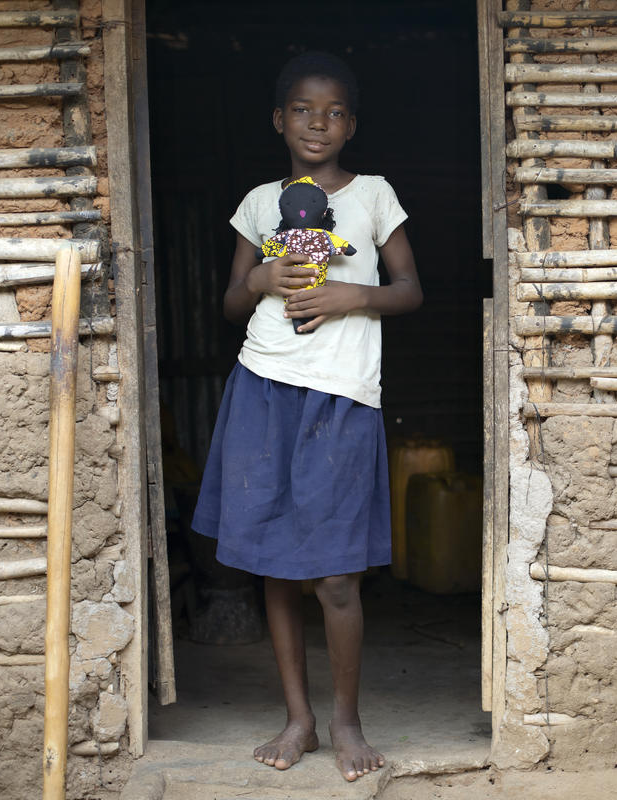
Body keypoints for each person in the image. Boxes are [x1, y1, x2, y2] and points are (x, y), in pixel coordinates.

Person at [192, 50, 422, 783]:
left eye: (331, 112)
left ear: (350, 124)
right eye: (301, 109)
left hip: (344, 394)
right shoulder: (261, 202)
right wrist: (259, 277)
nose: (316, 122)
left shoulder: (375, 195)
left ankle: (347, 721)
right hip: (263, 384)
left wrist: (355, 295)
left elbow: (411, 289)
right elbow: (231, 302)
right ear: (278, 120)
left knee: (336, 576)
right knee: (272, 563)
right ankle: (299, 719)